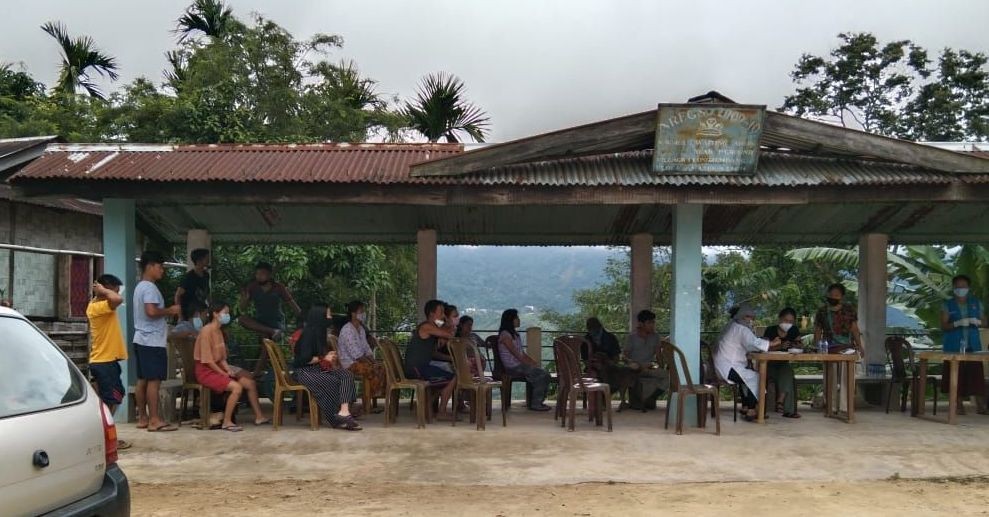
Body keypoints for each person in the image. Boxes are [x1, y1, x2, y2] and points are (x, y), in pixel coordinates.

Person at [194, 301, 269, 431]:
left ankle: (259, 416)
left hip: (218, 367)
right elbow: (208, 361)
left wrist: (228, 369)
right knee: (237, 388)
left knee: (249, 383)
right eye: (225, 313)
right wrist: (223, 373)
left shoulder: (219, 331)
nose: (227, 316)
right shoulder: (206, 332)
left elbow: (222, 358)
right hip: (206, 371)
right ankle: (227, 422)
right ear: (215, 314)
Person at [133, 251, 181, 432]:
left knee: (142, 380)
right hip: (151, 340)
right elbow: (151, 311)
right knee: (154, 381)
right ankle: (154, 419)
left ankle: (143, 418)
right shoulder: (149, 288)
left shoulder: (140, 287)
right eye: (160, 267)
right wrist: (170, 310)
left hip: (141, 338)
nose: (162, 271)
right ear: (150, 266)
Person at [293, 304, 362, 430]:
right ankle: (336, 418)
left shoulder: (320, 333)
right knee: (334, 381)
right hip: (303, 372)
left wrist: (326, 355)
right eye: (329, 315)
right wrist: (323, 358)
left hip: (316, 370)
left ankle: (344, 412)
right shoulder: (307, 334)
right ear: (320, 317)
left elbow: (318, 356)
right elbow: (303, 360)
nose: (330, 317)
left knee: (346, 375)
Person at [715, 304, 783, 421]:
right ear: (744, 316)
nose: (752, 321)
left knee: (746, 376)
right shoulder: (741, 328)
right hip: (728, 367)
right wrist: (773, 343)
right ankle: (752, 410)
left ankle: (746, 406)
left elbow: (749, 344)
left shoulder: (731, 325)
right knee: (756, 377)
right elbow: (754, 343)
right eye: (750, 318)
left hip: (719, 366)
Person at [86, 274, 131, 449]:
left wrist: (105, 291)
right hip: (103, 362)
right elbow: (117, 299)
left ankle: (104, 436)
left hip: (106, 361)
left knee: (110, 399)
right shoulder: (96, 307)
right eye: (114, 288)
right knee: (111, 399)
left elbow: (116, 297)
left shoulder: (103, 306)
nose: (118, 292)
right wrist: (103, 291)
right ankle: (105, 438)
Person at [939, 275, 987, 415]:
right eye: (958, 287)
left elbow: (984, 322)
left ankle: (981, 405)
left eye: (964, 287)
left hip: (973, 344)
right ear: (954, 288)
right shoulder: (947, 304)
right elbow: (944, 325)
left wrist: (977, 322)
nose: (961, 289)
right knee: (955, 375)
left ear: (968, 288)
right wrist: (957, 323)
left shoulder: (976, 303)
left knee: (976, 374)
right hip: (953, 345)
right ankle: (958, 405)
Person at [405, 299, 458, 419]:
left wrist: (450, 358)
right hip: (417, 368)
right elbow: (449, 335)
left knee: (449, 373)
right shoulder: (427, 326)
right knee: (452, 377)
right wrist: (450, 325)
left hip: (421, 367)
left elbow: (433, 353)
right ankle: (441, 412)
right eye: (441, 312)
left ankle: (427, 405)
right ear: (431, 314)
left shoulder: (431, 329)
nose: (443, 315)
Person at [498, 308, 552, 411]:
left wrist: (532, 361)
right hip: (512, 367)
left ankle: (538, 401)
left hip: (519, 365)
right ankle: (536, 403)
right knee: (541, 375)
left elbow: (521, 353)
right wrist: (529, 365)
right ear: (511, 320)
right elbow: (516, 355)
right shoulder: (505, 335)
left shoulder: (515, 335)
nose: (519, 320)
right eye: (516, 318)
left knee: (545, 374)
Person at [338, 300, 385, 409]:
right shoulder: (347, 330)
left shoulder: (361, 329)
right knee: (371, 369)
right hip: (349, 364)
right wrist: (371, 364)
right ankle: (366, 402)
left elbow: (366, 348)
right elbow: (357, 354)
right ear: (353, 314)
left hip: (359, 361)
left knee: (382, 367)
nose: (363, 314)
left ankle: (373, 396)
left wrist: (373, 361)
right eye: (361, 311)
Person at [238, 261, 302, 341]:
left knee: (265, 341)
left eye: (262, 274)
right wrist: (245, 299)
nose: (259, 276)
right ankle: (272, 331)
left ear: (269, 275)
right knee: (242, 319)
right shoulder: (252, 287)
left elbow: (292, 304)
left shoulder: (278, 287)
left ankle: (273, 331)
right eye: (257, 274)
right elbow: (242, 308)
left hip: (276, 322)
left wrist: (304, 319)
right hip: (260, 322)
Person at [623, 310, 670, 411]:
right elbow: (624, 356)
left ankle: (651, 398)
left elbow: (658, 355)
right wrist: (632, 363)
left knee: (668, 376)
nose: (652, 325)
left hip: (649, 367)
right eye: (649, 323)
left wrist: (661, 367)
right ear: (641, 324)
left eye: (653, 322)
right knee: (630, 375)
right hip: (635, 368)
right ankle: (635, 401)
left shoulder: (656, 336)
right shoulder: (632, 337)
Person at [762, 308, 801, 418]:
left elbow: (800, 344)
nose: (788, 323)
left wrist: (795, 345)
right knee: (783, 372)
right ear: (780, 319)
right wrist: (778, 346)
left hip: (783, 363)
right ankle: (780, 402)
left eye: (791, 321)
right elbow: (763, 348)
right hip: (769, 364)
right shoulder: (770, 330)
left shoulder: (793, 330)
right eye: (785, 320)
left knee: (788, 372)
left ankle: (787, 408)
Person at [813, 283, 865, 355]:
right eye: (831, 295)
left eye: (836, 295)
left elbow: (855, 329)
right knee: (830, 365)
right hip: (828, 349)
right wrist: (816, 347)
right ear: (828, 295)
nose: (833, 297)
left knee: (848, 365)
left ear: (842, 297)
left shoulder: (849, 310)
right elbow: (817, 331)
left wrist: (860, 346)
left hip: (847, 348)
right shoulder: (822, 311)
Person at [174, 248, 210, 321]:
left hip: (202, 311)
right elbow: (178, 295)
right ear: (199, 260)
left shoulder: (206, 275)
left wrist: (210, 307)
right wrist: (180, 315)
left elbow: (206, 293)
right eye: (206, 258)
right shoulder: (189, 277)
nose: (208, 260)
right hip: (189, 313)